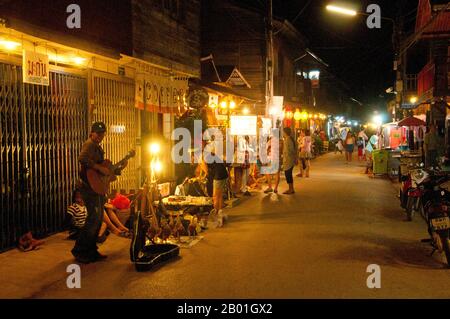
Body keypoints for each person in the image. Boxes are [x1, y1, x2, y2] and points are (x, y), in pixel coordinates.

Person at [71, 121, 128, 264]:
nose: (100, 136)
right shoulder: (89, 144)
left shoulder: (97, 147)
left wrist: (118, 168)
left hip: (96, 187)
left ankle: (91, 250)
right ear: (92, 133)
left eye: (102, 133)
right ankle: (80, 250)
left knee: (96, 220)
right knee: (93, 219)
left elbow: (105, 171)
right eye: (98, 133)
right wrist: (99, 167)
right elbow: (82, 159)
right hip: (88, 187)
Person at [282, 127, 296, 194]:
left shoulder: (288, 140)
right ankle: (291, 189)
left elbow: (292, 150)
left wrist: (286, 155)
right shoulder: (288, 139)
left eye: (283, 132)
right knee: (288, 174)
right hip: (288, 160)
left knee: (288, 174)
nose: (282, 133)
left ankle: (291, 189)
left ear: (285, 132)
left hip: (289, 160)